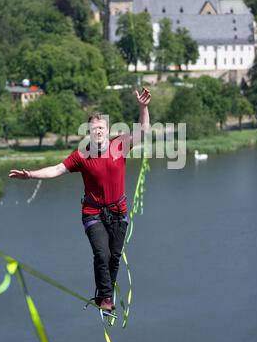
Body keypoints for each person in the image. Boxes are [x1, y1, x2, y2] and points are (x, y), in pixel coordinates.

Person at [8, 87, 151, 313]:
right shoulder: (81, 155)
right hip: (93, 212)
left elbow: (143, 130)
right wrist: (31, 175)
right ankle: (104, 298)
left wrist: (143, 107)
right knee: (101, 253)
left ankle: (106, 292)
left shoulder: (119, 145)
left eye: (101, 128)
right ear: (89, 131)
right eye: (94, 129)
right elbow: (56, 169)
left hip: (118, 211)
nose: (98, 132)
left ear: (108, 129)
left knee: (114, 256)